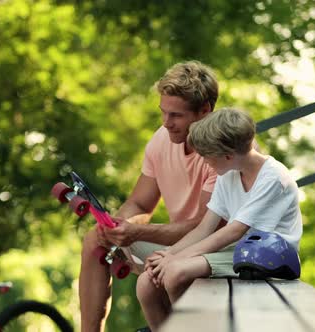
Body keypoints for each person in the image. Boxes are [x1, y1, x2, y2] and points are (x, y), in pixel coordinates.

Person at [79, 60, 222, 332]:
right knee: (95, 241)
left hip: (212, 250)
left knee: (152, 274)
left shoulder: (222, 150)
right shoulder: (162, 139)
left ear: (204, 111)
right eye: (163, 113)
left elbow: (205, 227)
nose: (166, 124)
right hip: (177, 247)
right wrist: (119, 225)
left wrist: (137, 233)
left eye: (176, 116)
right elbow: (140, 203)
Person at [137, 108, 303, 331]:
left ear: (228, 155)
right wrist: (168, 254)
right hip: (235, 250)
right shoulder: (230, 173)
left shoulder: (274, 178)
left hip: (266, 255)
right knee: (145, 282)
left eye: (207, 156)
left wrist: (176, 260)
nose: (205, 162)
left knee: (175, 273)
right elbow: (205, 227)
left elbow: (234, 231)